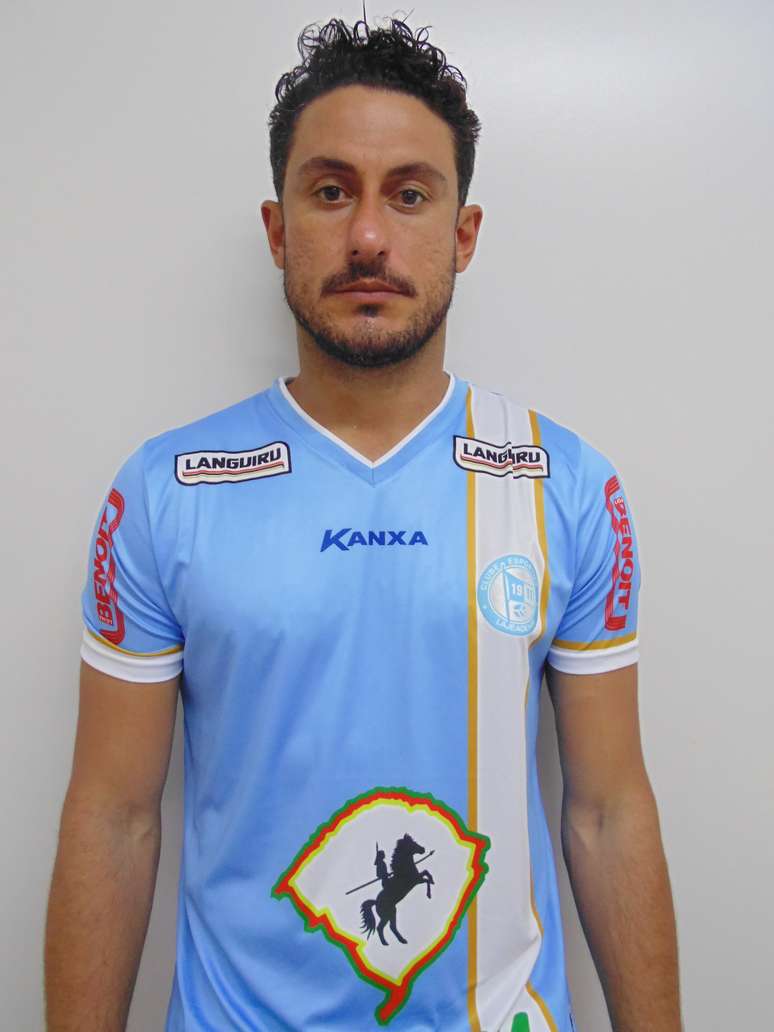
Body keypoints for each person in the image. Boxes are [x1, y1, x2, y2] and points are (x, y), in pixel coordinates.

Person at [44, 17, 682, 1032]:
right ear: (277, 228)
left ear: (464, 234)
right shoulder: (167, 490)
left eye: (410, 194)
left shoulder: (565, 484)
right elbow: (114, 820)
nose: (370, 238)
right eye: (332, 191)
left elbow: (607, 813)